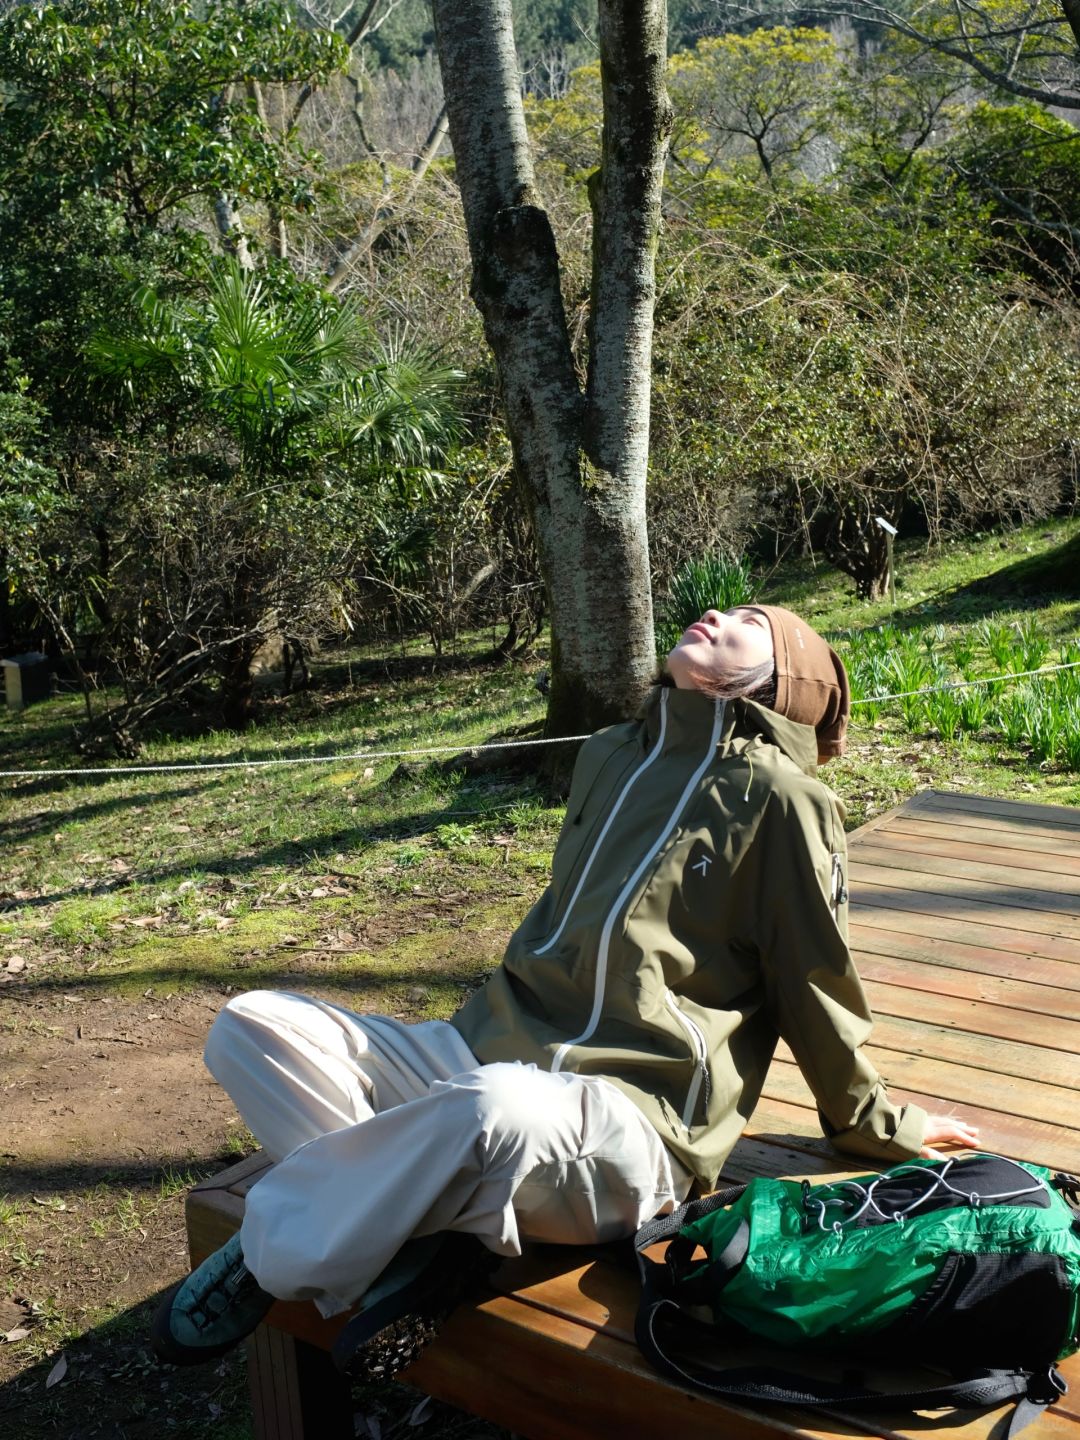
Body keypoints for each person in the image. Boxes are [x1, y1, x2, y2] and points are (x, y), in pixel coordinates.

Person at [151, 605, 977, 1376]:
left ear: (782, 679)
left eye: (752, 626)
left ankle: (273, 1251)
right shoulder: (610, 753)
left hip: (630, 1124)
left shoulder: (785, 800)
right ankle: (412, 1236)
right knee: (252, 1026)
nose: (720, 616)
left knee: (492, 1108)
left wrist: (878, 1124)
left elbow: (816, 982)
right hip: (479, 1053)